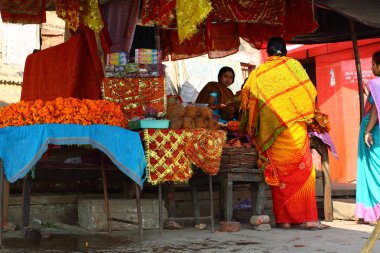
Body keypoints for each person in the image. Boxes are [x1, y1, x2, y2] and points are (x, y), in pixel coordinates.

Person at [240, 37, 329, 230]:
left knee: (280, 178)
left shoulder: (259, 72)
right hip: (296, 130)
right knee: (304, 174)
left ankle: (285, 220)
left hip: (272, 134)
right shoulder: (294, 66)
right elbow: (309, 92)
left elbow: (249, 101)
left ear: (269, 53)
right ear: (285, 51)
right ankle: (309, 219)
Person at [355, 50, 380, 226]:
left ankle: (374, 212)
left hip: (373, 131)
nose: (371, 67)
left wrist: (367, 131)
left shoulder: (376, 84)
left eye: (373, 64)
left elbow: (375, 111)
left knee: (373, 170)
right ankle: (369, 212)